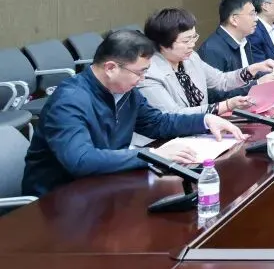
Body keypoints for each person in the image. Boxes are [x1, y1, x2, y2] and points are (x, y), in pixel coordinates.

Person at [22, 30, 244, 196]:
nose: (143, 79)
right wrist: (153, 155)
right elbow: (80, 160)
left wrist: (205, 120)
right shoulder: (69, 101)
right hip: (59, 200)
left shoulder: (125, 91)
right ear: (110, 68)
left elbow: (157, 123)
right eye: (140, 72)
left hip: (105, 184)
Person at [139, 8, 274, 115]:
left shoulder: (191, 58)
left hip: (200, 130)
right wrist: (227, 105)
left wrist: (253, 69)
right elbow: (173, 115)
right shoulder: (148, 73)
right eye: (186, 41)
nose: (192, 44)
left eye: (194, 37)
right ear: (163, 44)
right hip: (165, 140)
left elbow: (221, 80)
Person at [198, 0, 262, 99]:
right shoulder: (211, 48)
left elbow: (249, 78)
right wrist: (256, 85)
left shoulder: (244, 41)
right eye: (251, 14)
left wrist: (269, 75)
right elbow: (214, 95)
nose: (256, 19)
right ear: (234, 19)